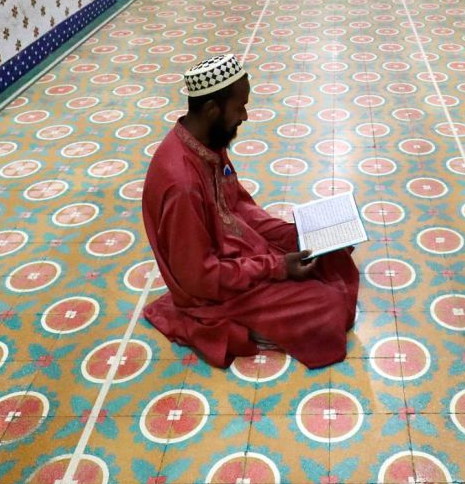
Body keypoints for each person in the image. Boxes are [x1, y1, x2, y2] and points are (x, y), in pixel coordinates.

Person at [140, 53, 360, 368]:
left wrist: (291, 233)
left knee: (329, 249)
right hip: (214, 291)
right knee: (327, 305)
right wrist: (277, 267)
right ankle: (254, 325)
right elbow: (199, 279)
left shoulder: (206, 144)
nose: (244, 116)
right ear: (213, 109)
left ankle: (285, 286)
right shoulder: (183, 186)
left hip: (242, 253)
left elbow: (239, 207)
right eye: (239, 107)